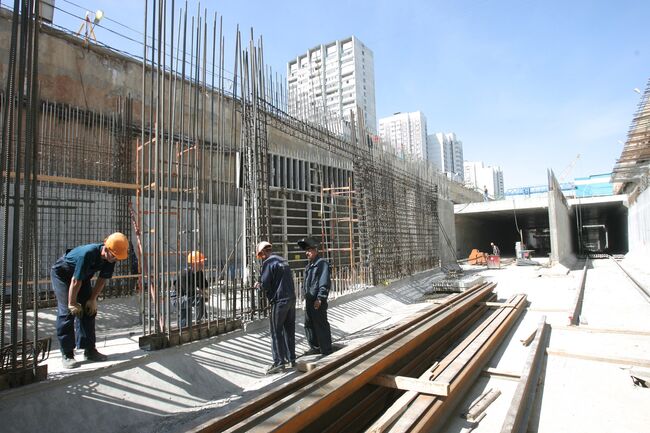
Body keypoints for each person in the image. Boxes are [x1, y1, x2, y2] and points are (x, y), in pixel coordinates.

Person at [50, 232, 129, 369]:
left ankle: (89, 350)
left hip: (81, 277)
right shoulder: (88, 253)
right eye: (115, 256)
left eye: (118, 258)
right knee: (67, 312)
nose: (116, 260)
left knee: (89, 310)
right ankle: (67, 354)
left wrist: (92, 299)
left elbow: (102, 279)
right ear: (107, 249)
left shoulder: (110, 259)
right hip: (63, 275)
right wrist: (72, 303)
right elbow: (75, 281)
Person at [256, 241, 296, 374]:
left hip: (279, 301)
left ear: (262, 253)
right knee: (289, 330)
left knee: (276, 331)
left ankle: (279, 362)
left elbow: (265, 283)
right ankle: (291, 359)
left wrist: (259, 285)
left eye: (261, 255)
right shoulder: (283, 260)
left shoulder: (268, 263)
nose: (261, 258)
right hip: (291, 299)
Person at [297, 237, 332, 357]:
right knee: (309, 325)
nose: (307, 253)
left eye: (309, 250)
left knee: (320, 325)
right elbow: (306, 283)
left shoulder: (321, 264)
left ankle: (326, 350)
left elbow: (324, 283)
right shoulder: (309, 266)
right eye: (306, 250)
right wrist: (304, 296)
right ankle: (315, 347)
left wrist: (320, 298)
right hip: (309, 301)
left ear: (316, 250)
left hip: (317, 301)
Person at [174, 250, 208, 328]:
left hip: (188, 296)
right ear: (193, 263)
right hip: (178, 298)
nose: (202, 264)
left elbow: (204, 286)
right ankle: (185, 329)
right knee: (185, 315)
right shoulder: (184, 274)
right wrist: (200, 292)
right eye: (200, 262)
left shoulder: (199, 272)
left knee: (200, 300)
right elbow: (190, 292)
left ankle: (199, 322)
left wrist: (204, 294)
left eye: (202, 262)